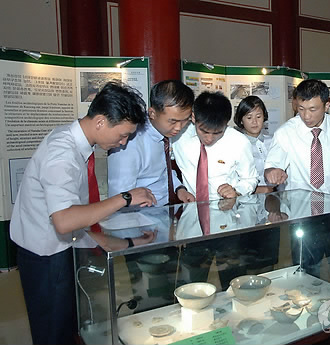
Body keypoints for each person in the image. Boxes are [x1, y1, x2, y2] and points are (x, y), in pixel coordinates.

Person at [10, 81, 157, 345]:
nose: (123, 144)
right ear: (100, 122)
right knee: (53, 333)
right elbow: (66, 221)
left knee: (68, 328)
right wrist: (125, 198)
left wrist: (130, 242)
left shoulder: (76, 142)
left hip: (61, 250)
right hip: (45, 258)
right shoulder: (62, 154)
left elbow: (81, 225)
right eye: (122, 135)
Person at [108, 80, 195, 206]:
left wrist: (179, 188)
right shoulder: (129, 143)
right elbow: (119, 198)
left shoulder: (164, 131)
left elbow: (163, 171)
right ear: (152, 113)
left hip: (164, 214)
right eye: (173, 121)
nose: (179, 127)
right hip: (142, 218)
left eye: (184, 121)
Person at [264, 79, 330, 195]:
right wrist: (272, 172)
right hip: (299, 204)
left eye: (313, 109)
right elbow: (272, 167)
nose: (306, 116)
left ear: (326, 106)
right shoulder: (285, 132)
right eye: (301, 109)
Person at [172, 91, 258, 200]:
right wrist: (179, 188)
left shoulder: (239, 142)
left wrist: (237, 191)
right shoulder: (179, 136)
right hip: (191, 209)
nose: (209, 139)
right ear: (193, 118)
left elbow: (250, 178)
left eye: (217, 133)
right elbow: (164, 168)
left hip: (225, 209)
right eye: (204, 131)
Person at [234, 95, 274, 193]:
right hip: (248, 199)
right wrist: (258, 190)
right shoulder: (237, 145)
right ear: (241, 120)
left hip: (275, 197)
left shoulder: (273, 141)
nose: (254, 122)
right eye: (249, 117)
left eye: (258, 116)